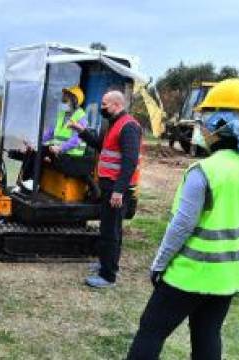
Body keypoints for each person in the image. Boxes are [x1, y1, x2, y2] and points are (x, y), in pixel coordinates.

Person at [126, 79, 239, 360]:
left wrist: (159, 263)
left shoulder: (204, 171)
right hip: (230, 275)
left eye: (205, 120)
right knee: (207, 334)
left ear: (219, 125)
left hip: (191, 274)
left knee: (151, 330)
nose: (201, 128)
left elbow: (182, 225)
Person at [69, 90, 142, 288]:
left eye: (104, 104)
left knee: (111, 231)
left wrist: (119, 190)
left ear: (117, 105)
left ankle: (108, 276)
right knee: (107, 228)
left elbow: (130, 162)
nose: (102, 107)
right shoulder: (115, 124)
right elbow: (102, 146)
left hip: (117, 189)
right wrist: (81, 131)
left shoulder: (128, 127)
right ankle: (105, 264)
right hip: (109, 187)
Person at [11, 86, 99, 198]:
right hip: (58, 151)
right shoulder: (62, 115)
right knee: (33, 150)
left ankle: (33, 182)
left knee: (40, 151)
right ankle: (22, 183)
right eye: (64, 99)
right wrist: (35, 142)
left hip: (71, 154)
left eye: (66, 99)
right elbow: (50, 132)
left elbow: (76, 140)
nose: (63, 101)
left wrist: (60, 148)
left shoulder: (80, 117)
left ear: (75, 101)